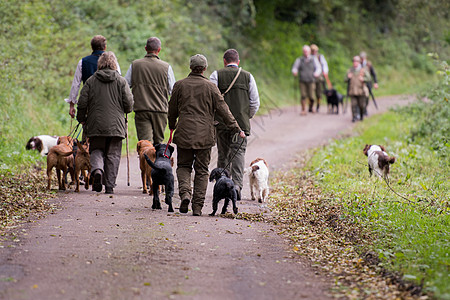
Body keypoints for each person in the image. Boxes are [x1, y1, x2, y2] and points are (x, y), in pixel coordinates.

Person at [168, 54, 245, 216]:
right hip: (204, 136)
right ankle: (197, 207)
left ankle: (185, 195)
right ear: (204, 68)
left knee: (183, 166)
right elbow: (224, 111)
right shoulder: (211, 87)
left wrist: (172, 125)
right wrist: (237, 128)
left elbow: (172, 109)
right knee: (202, 170)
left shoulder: (179, 85)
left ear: (190, 67)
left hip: (184, 134)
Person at [77, 51, 134, 194]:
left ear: (100, 64)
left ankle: (97, 170)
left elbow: (82, 102)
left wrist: (81, 118)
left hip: (96, 124)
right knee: (113, 154)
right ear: (114, 63)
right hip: (116, 126)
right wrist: (125, 111)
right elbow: (129, 104)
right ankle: (109, 186)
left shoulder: (91, 81)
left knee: (96, 150)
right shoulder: (121, 81)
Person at [210, 49, 260, 200]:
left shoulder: (216, 75)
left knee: (223, 154)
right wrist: (246, 117)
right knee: (238, 154)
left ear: (224, 61)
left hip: (222, 123)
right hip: (241, 125)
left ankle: (222, 184)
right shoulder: (248, 76)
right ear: (238, 62)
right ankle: (236, 186)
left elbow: (211, 99)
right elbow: (255, 102)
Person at [125, 37, 175, 144]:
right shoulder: (166, 67)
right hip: (160, 111)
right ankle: (157, 160)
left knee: (145, 145)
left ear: (145, 48)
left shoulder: (135, 65)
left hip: (141, 109)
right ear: (159, 50)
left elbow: (125, 86)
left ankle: (146, 160)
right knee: (158, 144)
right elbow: (173, 91)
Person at [66, 35, 121, 118]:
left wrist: (72, 105)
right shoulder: (113, 62)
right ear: (105, 47)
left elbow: (75, 84)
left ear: (92, 47)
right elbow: (119, 81)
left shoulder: (83, 62)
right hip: (110, 103)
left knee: (90, 128)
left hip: (90, 104)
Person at [291, 45, 322, 115]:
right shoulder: (299, 60)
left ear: (309, 51)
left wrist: (316, 73)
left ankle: (311, 107)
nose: (305, 52)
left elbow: (318, 68)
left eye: (307, 51)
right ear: (303, 52)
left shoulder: (313, 59)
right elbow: (295, 67)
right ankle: (303, 109)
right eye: (304, 51)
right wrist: (294, 71)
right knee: (303, 95)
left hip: (311, 80)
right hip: (302, 80)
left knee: (311, 96)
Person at [346, 56, 370, 122]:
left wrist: (363, 79)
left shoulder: (363, 70)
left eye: (356, 61)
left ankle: (361, 116)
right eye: (354, 61)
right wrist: (348, 77)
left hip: (360, 91)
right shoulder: (350, 70)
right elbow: (345, 79)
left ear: (359, 62)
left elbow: (369, 78)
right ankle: (354, 117)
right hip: (352, 90)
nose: (355, 63)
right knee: (353, 105)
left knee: (361, 105)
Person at [310, 44, 331, 113]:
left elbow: (324, 65)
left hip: (319, 77)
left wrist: (325, 72)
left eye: (315, 51)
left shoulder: (320, 57)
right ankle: (311, 106)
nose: (314, 52)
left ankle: (318, 106)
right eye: (313, 51)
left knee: (319, 93)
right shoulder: (309, 57)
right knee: (311, 92)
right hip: (310, 78)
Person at [360, 51, 378, 116]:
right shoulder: (358, 64)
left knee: (367, 97)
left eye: (363, 57)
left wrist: (375, 82)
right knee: (361, 97)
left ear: (365, 57)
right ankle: (362, 110)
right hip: (361, 84)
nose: (362, 59)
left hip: (368, 83)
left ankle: (365, 109)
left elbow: (374, 74)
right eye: (361, 57)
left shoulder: (369, 65)